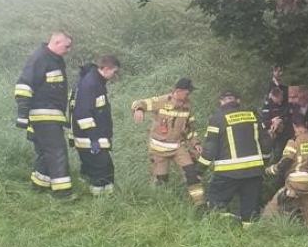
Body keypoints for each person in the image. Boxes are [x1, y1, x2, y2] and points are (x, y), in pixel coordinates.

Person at [14, 32, 74, 199]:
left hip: (50, 115)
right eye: (66, 46)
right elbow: (24, 85)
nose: (69, 50)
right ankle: (63, 193)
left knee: (45, 152)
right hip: (44, 115)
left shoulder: (53, 60)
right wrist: (22, 114)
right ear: (56, 41)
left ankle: (39, 186)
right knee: (57, 152)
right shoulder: (40, 58)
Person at [198, 90, 271, 226]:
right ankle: (250, 236)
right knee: (251, 209)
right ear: (238, 101)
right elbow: (266, 143)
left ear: (221, 101)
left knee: (216, 203)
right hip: (254, 171)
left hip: (227, 172)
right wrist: (264, 163)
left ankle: (224, 230)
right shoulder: (253, 116)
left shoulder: (217, 119)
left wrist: (199, 170)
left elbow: (210, 149)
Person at [131, 79, 204, 207]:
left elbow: (190, 129)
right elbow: (139, 102)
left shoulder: (187, 107)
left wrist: (196, 143)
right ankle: (158, 206)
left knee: (191, 173)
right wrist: (138, 110)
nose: (188, 96)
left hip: (177, 147)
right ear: (178, 91)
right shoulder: (162, 101)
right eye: (187, 93)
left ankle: (200, 205)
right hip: (159, 149)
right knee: (161, 181)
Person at [263, 110, 308, 237]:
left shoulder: (294, 141)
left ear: (294, 126)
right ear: (306, 124)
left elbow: (285, 162)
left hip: (295, 184)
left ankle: (264, 231)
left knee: (273, 207)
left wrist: (270, 170)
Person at [71, 55, 120, 195]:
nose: (115, 75)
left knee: (106, 169)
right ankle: (98, 201)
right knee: (100, 171)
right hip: (90, 137)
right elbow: (83, 113)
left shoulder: (97, 82)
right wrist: (94, 138)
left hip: (96, 136)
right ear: (105, 69)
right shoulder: (91, 84)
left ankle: (107, 197)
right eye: (114, 72)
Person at [261, 86, 292, 163]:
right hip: (273, 135)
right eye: (279, 97)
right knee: (276, 154)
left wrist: (280, 120)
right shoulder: (267, 106)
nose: (281, 99)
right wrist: (272, 122)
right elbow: (263, 123)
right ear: (274, 97)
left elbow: (288, 115)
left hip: (286, 133)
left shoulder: (285, 104)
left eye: (282, 96)